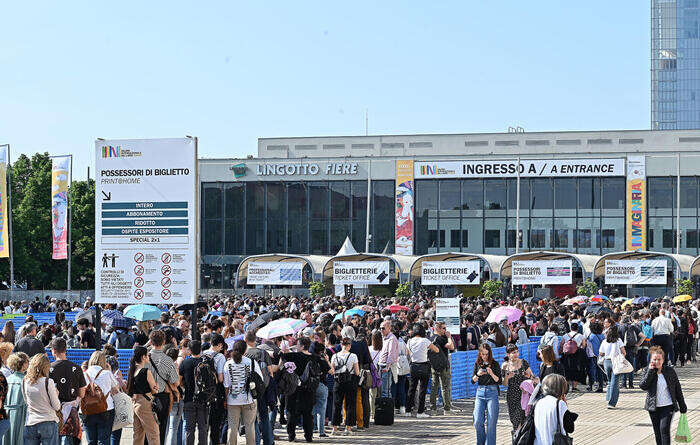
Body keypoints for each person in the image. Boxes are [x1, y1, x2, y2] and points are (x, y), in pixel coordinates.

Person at [639, 346, 687, 445]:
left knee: (664, 429)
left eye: (659, 359)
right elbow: (643, 386)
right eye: (654, 359)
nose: (657, 361)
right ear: (651, 360)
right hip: (653, 407)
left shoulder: (670, 371)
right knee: (657, 433)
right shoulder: (647, 370)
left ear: (663, 360)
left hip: (668, 406)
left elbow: (677, 388)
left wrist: (682, 404)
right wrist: (651, 371)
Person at [49, 338, 87, 445]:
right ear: (65, 349)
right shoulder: (77, 368)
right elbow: (82, 393)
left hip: (53, 413)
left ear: (54, 350)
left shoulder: (48, 369)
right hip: (71, 413)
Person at [223, 340, 262, 445]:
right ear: (245, 350)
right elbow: (260, 379)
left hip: (232, 400)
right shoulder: (252, 362)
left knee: (232, 427)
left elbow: (226, 385)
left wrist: (226, 400)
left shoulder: (228, 364)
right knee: (250, 426)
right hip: (249, 399)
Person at [147, 330, 180, 445]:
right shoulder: (168, 360)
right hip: (162, 398)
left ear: (151, 342)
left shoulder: (144, 359)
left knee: (147, 430)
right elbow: (175, 382)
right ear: (164, 342)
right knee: (161, 429)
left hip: (147, 396)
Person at [280, 336, 315, 442]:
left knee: (291, 411)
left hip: (293, 388)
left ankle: (291, 435)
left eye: (298, 344)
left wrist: (284, 351)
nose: (296, 346)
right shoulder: (315, 357)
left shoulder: (293, 356)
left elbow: (281, 356)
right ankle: (309, 436)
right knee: (308, 413)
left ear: (302, 346)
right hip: (308, 389)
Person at [81, 351, 120, 445]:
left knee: (91, 441)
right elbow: (116, 390)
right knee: (104, 440)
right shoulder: (107, 373)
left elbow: (80, 393)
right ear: (103, 361)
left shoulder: (84, 374)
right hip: (105, 409)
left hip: (87, 410)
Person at [22, 354, 61, 445]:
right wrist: (56, 394)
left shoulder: (24, 381)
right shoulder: (48, 382)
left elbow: (26, 402)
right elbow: (56, 406)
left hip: (31, 421)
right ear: (46, 367)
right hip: (48, 421)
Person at [126, 345, 160, 445]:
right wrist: (155, 388)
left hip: (135, 403)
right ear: (143, 357)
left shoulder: (132, 370)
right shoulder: (146, 371)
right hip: (145, 403)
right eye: (147, 355)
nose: (148, 357)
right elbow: (154, 390)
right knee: (153, 433)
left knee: (138, 433)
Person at [406, 323, 439, 418]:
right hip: (424, 366)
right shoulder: (425, 340)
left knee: (412, 389)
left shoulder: (409, 341)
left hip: (413, 366)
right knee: (422, 390)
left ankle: (408, 411)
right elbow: (436, 350)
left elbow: (407, 353)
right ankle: (420, 412)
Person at [179, 340, 208, 445]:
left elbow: (179, 381)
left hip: (189, 398)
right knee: (203, 427)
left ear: (189, 350)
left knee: (189, 429)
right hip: (203, 399)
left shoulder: (185, 363)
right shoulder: (205, 363)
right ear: (200, 350)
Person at [533, 374, 576, 445]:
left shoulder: (538, 402)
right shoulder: (560, 404)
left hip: (538, 442)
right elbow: (570, 428)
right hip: (555, 442)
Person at [471, 343, 501, 445]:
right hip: (480, 392)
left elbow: (499, 380)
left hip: (492, 392)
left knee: (491, 423)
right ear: (479, 354)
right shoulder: (477, 364)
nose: (484, 356)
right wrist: (478, 374)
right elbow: (472, 381)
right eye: (482, 354)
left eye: (487, 354)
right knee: (477, 421)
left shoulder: (495, 364)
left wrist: (491, 373)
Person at [502, 343, 536, 430]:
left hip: (524, 395)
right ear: (508, 354)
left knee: (522, 419)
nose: (516, 354)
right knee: (515, 421)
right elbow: (504, 384)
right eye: (513, 352)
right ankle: (517, 439)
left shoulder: (523, 363)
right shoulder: (505, 365)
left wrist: (530, 377)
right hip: (512, 396)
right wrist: (507, 377)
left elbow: (533, 378)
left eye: (517, 352)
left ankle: (521, 439)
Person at [330, 337, 359, 436]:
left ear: (341, 345)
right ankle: (348, 427)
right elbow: (357, 371)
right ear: (349, 345)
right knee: (350, 404)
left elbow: (332, 371)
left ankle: (335, 427)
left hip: (338, 381)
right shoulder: (353, 356)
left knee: (336, 404)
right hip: (350, 381)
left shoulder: (335, 356)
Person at [203, 334, 226, 445]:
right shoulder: (220, 357)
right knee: (215, 424)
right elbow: (221, 379)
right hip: (216, 393)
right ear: (220, 345)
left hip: (203, 392)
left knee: (204, 423)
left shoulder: (203, 354)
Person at [3, 352, 29, 445]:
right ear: (22, 364)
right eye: (27, 362)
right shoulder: (26, 381)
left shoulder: (7, 379)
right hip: (20, 414)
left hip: (6, 413)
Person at [429, 321, 454, 414]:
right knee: (445, 387)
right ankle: (447, 409)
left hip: (433, 365)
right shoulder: (441, 338)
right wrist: (449, 337)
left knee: (434, 387)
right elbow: (451, 347)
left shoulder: (430, 338)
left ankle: (433, 408)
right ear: (438, 328)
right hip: (443, 365)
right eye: (443, 328)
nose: (445, 330)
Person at [599, 325, 626, 409]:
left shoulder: (604, 341)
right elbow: (623, 352)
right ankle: (612, 402)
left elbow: (601, 353)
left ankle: (608, 398)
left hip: (607, 362)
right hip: (616, 362)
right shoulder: (618, 341)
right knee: (615, 383)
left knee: (610, 381)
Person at [559, 322, 586, 392]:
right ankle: (574, 387)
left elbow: (562, 345)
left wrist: (560, 352)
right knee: (576, 370)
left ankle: (566, 387)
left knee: (567, 369)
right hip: (577, 354)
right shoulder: (580, 336)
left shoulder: (565, 335)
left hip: (566, 355)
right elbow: (584, 345)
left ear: (571, 328)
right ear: (577, 328)